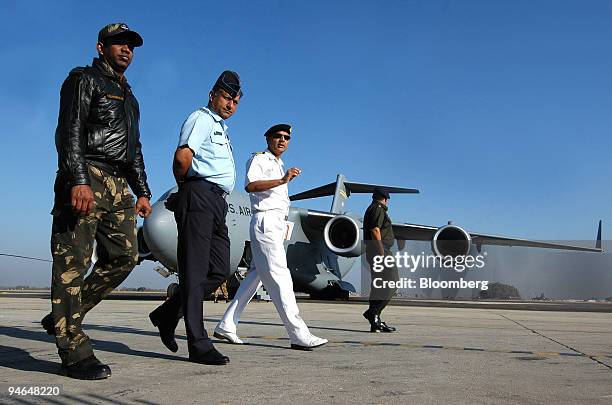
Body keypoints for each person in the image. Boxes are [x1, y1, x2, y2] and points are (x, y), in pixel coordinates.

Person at [42, 23, 152, 380]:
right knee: (72, 262)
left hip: (119, 184)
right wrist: (77, 179)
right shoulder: (83, 80)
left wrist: (143, 191)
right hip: (87, 173)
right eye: (119, 44)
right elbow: (69, 129)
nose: (126, 50)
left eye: (131, 46)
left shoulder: (130, 97)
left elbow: (133, 149)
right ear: (101, 47)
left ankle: (64, 315)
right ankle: (74, 350)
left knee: (125, 257)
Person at [148, 71, 242, 365]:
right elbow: (182, 158)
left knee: (219, 268)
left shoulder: (221, 128)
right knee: (194, 271)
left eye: (236, 100)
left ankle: (167, 314)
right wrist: (186, 187)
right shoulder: (201, 118)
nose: (230, 104)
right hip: (199, 194)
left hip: (217, 201)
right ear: (213, 95)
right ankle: (199, 345)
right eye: (227, 97)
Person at [214, 124, 328, 350]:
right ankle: (298, 334)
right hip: (265, 221)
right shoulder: (260, 160)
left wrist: (283, 179)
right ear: (268, 138)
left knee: (255, 276)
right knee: (281, 277)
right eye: (278, 136)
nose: (282, 140)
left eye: (286, 137)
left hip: (275, 224)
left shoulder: (278, 164)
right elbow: (251, 186)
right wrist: (282, 180)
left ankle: (227, 325)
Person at [362, 187, 398, 332]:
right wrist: (382, 253)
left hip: (375, 250)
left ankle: (375, 321)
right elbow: (375, 230)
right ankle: (373, 313)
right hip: (380, 250)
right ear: (385, 198)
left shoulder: (372, 208)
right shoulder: (378, 208)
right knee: (392, 282)